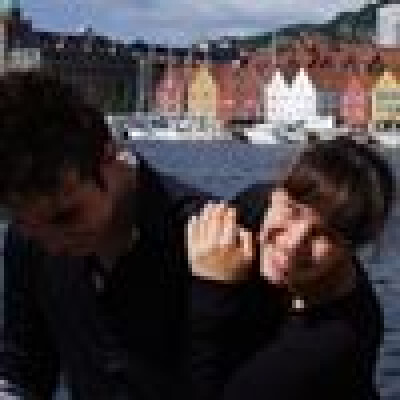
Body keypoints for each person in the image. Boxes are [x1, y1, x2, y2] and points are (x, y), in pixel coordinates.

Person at [0, 70, 209, 399]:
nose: (52, 245)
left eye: (66, 216)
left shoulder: (206, 242)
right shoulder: (26, 244)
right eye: (26, 223)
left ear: (108, 157)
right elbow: (22, 369)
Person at [189, 136, 396, 400]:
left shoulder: (333, 339)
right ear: (275, 194)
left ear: (349, 249)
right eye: (293, 211)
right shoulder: (255, 208)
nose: (293, 243)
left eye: (325, 234)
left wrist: (211, 289)